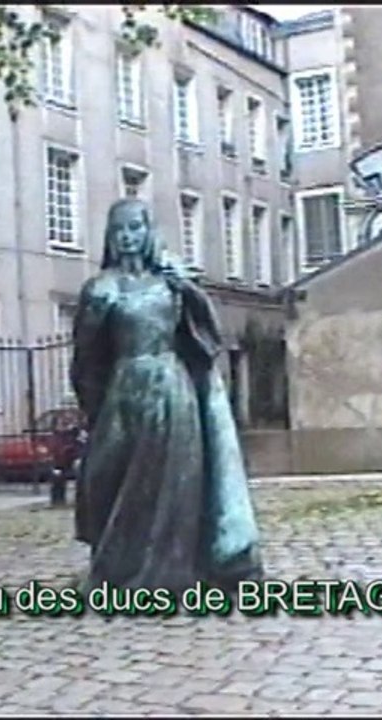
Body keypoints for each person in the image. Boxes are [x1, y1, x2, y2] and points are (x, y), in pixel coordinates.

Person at [70, 198, 264, 594]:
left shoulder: (169, 283)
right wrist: (94, 405)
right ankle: (117, 567)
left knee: (177, 483)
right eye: (119, 229)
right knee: (106, 476)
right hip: (124, 391)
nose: (127, 237)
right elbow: (86, 356)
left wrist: (189, 289)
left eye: (135, 227)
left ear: (148, 232)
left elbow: (207, 337)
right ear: (109, 236)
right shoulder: (101, 288)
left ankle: (176, 569)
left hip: (174, 391)